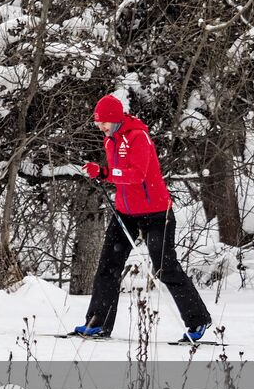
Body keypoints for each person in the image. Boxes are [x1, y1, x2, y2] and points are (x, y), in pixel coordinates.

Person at [73, 93, 213, 343]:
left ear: (116, 119)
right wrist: (104, 174)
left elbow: (136, 175)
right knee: (108, 267)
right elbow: (120, 177)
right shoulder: (110, 141)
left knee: (164, 267)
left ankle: (198, 320)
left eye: (104, 122)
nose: (101, 127)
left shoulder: (138, 137)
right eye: (98, 123)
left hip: (157, 213)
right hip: (125, 214)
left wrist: (104, 172)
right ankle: (98, 323)